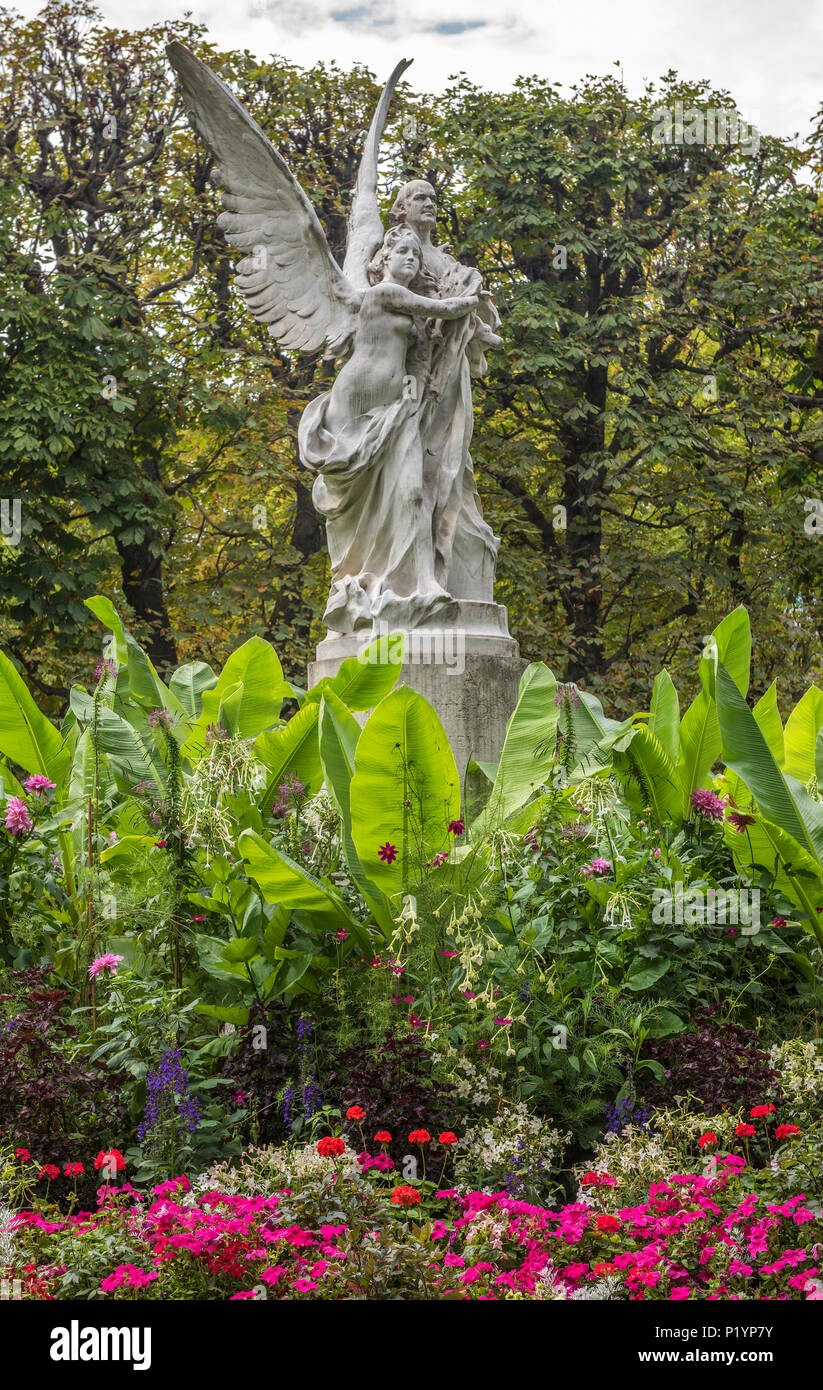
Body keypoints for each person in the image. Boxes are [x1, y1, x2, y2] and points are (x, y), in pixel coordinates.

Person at [298, 225, 478, 635]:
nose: (411, 259)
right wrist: (473, 295)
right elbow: (447, 311)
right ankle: (358, 581)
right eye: (401, 252)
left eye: (416, 253)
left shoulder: (408, 308)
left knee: (413, 492)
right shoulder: (383, 294)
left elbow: (425, 349)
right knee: (364, 502)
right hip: (355, 407)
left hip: (395, 410)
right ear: (384, 260)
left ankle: (423, 584)